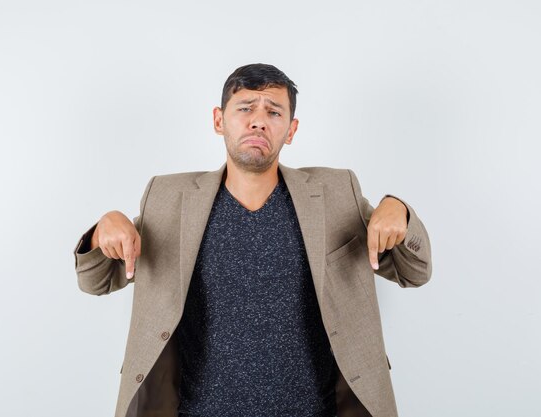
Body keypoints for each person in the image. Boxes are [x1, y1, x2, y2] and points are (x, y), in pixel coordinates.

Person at [73, 63, 432, 417]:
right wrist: (102, 229)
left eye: (274, 112)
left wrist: (398, 209)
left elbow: (414, 271)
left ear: (290, 130)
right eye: (245, 108)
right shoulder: (167, 198)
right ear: (218, 120)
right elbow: (96, 280)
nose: (258, 120)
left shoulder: (337, 193)